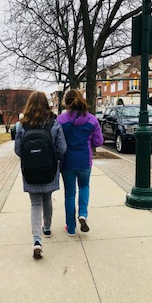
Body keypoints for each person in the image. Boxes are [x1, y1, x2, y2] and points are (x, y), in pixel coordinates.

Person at [14, 91, 67, 259]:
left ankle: (37, 240)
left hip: (30, 171)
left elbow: (17, 149)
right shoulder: (53, 123)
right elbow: (62, 148)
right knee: (47, 199)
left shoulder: (21, 125)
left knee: (35, 204)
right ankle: (47, 228)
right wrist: (52, 159)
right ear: (46, 104)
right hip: (49, 169)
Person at [57, 89, 104, 236]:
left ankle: (70, 228)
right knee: (84, 186)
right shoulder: (91, 120)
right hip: (84, 160)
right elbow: (99, 141)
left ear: (67, 102)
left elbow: (56, 142)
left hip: (67, 162)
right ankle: (83, 214)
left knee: (69, 194)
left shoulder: (60, 120)